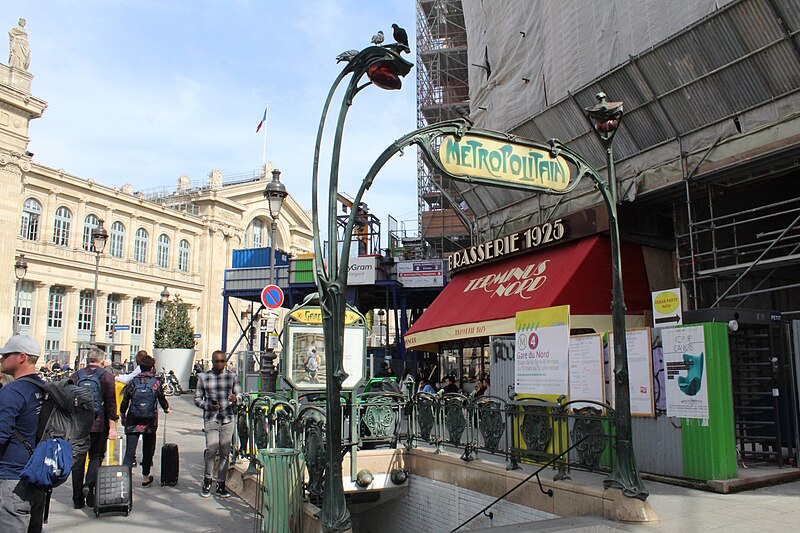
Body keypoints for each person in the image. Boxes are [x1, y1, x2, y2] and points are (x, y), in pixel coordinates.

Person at [0, 335, 46, 532]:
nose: (1, 359)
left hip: (12, 478)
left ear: (21, 357)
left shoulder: (12, 392)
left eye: (5, 355)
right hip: (38, 475)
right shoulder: (45, 389)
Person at [70, 346, 118, 509]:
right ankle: (90, 489)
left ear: (87, 360)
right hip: (99, 424)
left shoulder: (76, 375)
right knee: (96, 457)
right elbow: (111, 404)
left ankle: (77, 499)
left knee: (78, 461)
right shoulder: (107, 376)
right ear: (102, 361)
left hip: (78, 426)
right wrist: (112, 428)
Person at [194, 350, 241, 498]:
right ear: (213, 362)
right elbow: (197, 398)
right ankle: (208, 480)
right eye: (217, 361)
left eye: (222, 361)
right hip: (211, 418)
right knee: (211, 449)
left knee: (225, 452)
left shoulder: (232, 376)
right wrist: (208, 406)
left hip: (228, 418)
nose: (220, 364)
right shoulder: (203, 377)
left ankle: (221, 483)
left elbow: (240, 395)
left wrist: (236, 398)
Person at [120, 355, 169, 487]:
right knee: (148, 449)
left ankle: (125, 479)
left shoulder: (133, 382)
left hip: (133, 419)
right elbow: (161, 398)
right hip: (149, 421)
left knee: (130, 451)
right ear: (152, 367)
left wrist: (122, 414)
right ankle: (145, 477)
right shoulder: (156, 382)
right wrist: (166, 408)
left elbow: (125, 400)